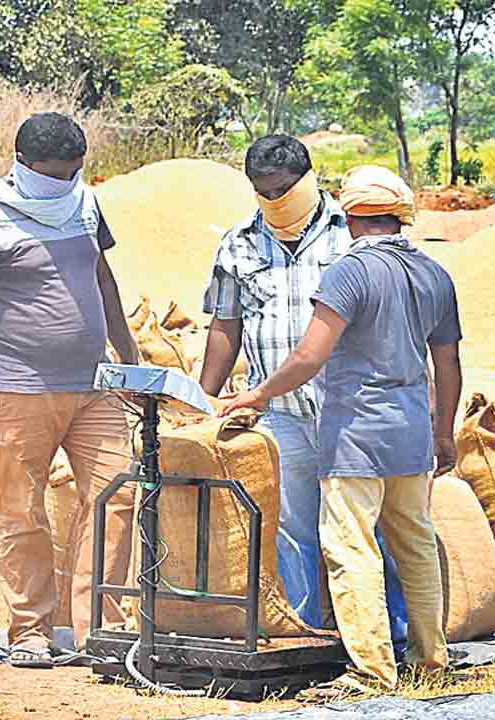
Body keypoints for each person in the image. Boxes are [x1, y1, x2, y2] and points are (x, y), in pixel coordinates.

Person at [222, 164, 461, 698]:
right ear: (401, 215)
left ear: (350, 216)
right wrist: (444, 432)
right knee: (415, 545)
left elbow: (310, 355)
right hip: (411, 432)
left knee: (351, 548)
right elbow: (447, 365)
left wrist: (258, 394)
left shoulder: (349, 272)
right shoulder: (434, 274)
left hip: (356, 432)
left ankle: (372, 671)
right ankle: (431, 659)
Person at [0, 113, 138, 669]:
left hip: (93, 385)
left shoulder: (84, 203)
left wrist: (129, 357)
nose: (63, 183)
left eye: (72, 172)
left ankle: (101, 631)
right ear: (24, 165)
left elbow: (102, 279)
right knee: (21, 510)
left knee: (119, 495)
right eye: (53, 174)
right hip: (15, 390)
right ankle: (31, 630)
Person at [199, 135, 407, 639]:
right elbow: (226, 326)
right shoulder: (239, 244)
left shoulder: (353, 236)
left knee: (370, 527)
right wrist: (203, 397)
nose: (275, 201)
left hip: (353, 409)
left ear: (311, 180)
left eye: (284, 190)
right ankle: (304, 635)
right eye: (263, 192)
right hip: (282, 414)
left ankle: (394, 634)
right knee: (292, 532)